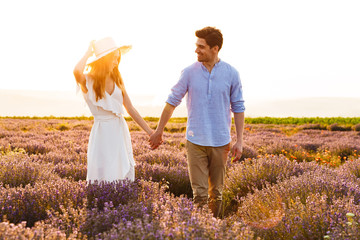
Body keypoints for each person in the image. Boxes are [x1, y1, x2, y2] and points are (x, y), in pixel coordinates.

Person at [149, 27, 245, 218]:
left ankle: (214, 229)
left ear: (215, 48)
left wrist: (240, 140)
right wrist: (159, 130)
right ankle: (201, 230)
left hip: (221, 142)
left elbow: (239, 107)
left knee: (216, 194)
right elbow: (171, 102)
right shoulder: (189, 73)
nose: (196, 50)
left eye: (201, 47)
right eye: (196, 46)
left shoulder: (231, 73)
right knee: (200, 195)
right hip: (195, 142)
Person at [73, 37, 153, 182]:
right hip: (102, 131)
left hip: (118, 129)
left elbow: (130, 108)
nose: (117, 62)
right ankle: (101, 201)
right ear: (104, 60)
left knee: (120, 169)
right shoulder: (88, 80)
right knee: (103, 170)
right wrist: (88, 53)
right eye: (114, 58)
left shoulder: (117, 79)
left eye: (118, 59)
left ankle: (120, 200)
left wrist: (150, 132)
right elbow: (77, 71)